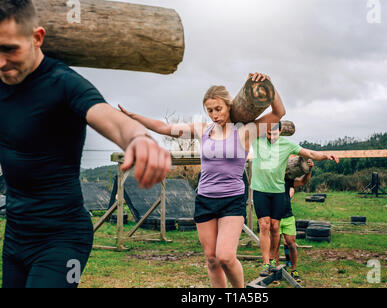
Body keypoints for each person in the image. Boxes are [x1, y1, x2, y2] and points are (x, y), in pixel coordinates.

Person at [0, 0, 171, 288]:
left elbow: (108, 116)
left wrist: (139, 139)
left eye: (9, 49)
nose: (1, 62)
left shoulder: (64, 83)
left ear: (37, 37)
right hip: (15, 235)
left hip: (64, 240)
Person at [118, 72, 286, 288]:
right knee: (212, 260)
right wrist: (133, 116)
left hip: (232, 200)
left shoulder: (245, 130)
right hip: (205, 200)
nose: (214, 115)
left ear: (229, 106)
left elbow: (279, 112)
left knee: (225, 256)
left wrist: (268, 85)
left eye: (218, 109)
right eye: (210, 110)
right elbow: (164, 128)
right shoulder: (203, 130)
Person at [251, 122, 339, 276]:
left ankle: (273, 259)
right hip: (260, 190)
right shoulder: (256, 140)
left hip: (278, 191)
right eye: (269, 134)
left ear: (281, 131)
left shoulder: (287, 144)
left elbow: (310, 154)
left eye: (275, 134)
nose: (271, 137)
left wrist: (325, 156)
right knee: (264, 225)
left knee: (275, 227)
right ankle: (266, 263)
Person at [279, 159, 314, 282]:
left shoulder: (288, 181)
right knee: (274, 245)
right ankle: (276, 272)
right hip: (274, 217)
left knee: (291, 243)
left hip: (288, 216)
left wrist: (309, 170)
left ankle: (294, 271)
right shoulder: (271, 180)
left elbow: (303, 181)